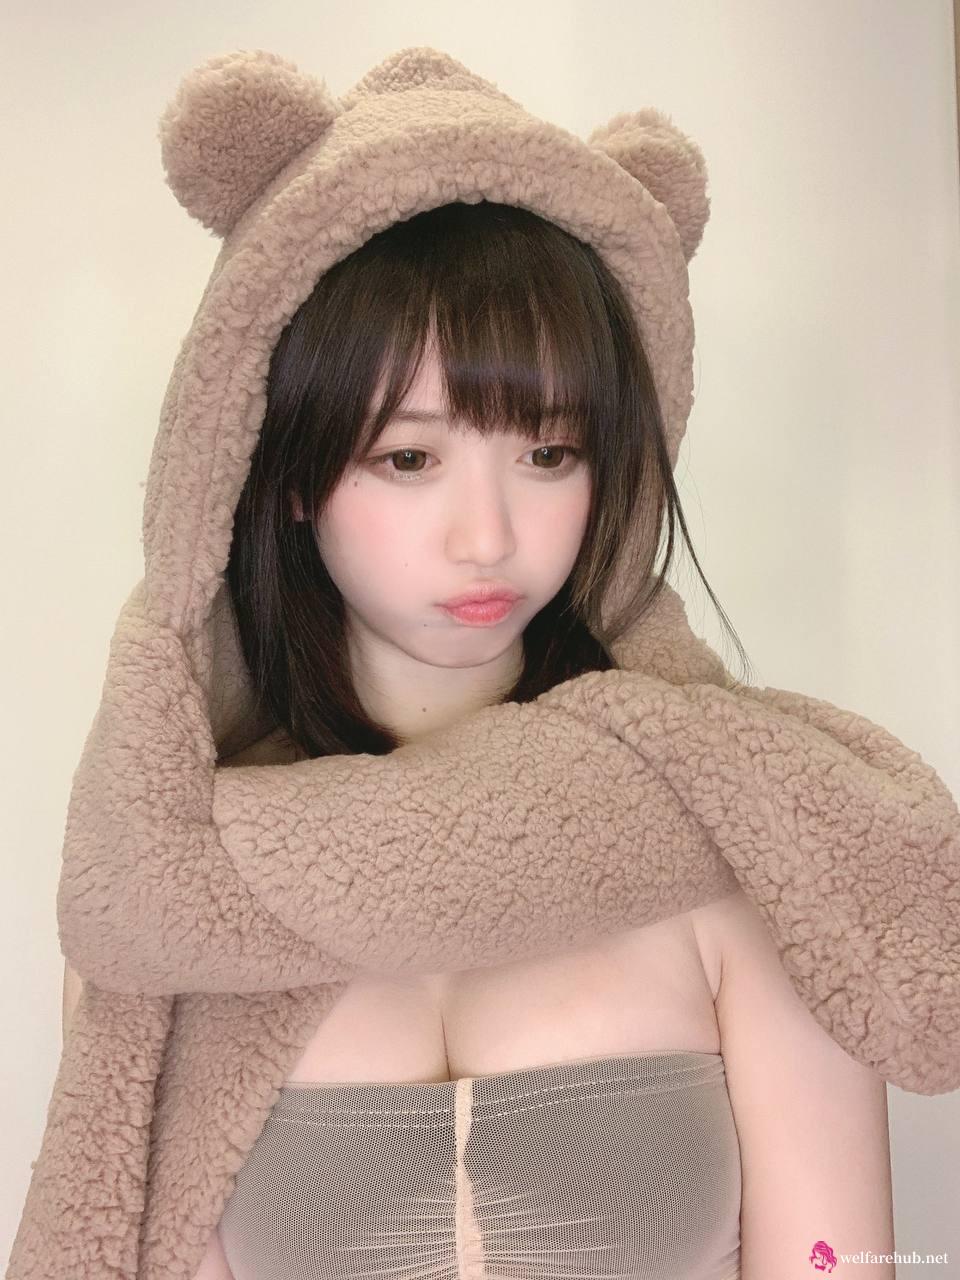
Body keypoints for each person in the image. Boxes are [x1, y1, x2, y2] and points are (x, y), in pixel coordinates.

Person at [40, 47, 938, 1280]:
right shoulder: (171, 901)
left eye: (549, 453)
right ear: (287, 472)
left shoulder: (751, 848)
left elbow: (837, 1262)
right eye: (409, 458)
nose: (489, 536)